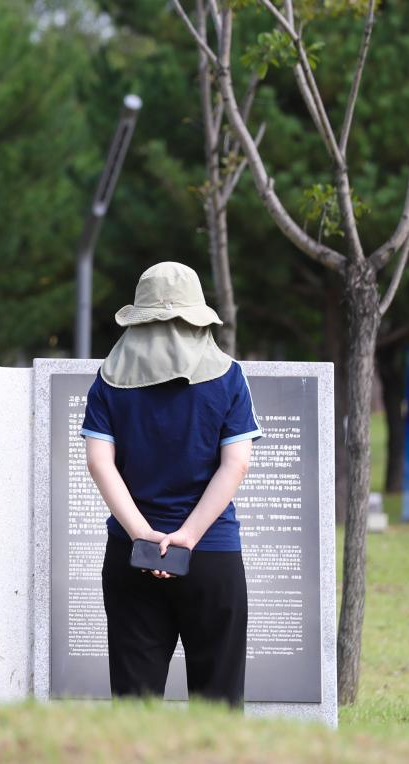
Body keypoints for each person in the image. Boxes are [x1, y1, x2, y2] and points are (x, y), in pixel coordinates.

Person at [80, 261, 262, 707]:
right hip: (212, 554)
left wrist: (143, 534)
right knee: (217, 704)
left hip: (131, 556)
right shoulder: (229, 377)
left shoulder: (107, 382)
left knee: (135, 704)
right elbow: (236, 465)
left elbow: (99, 463)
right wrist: (188, 536)